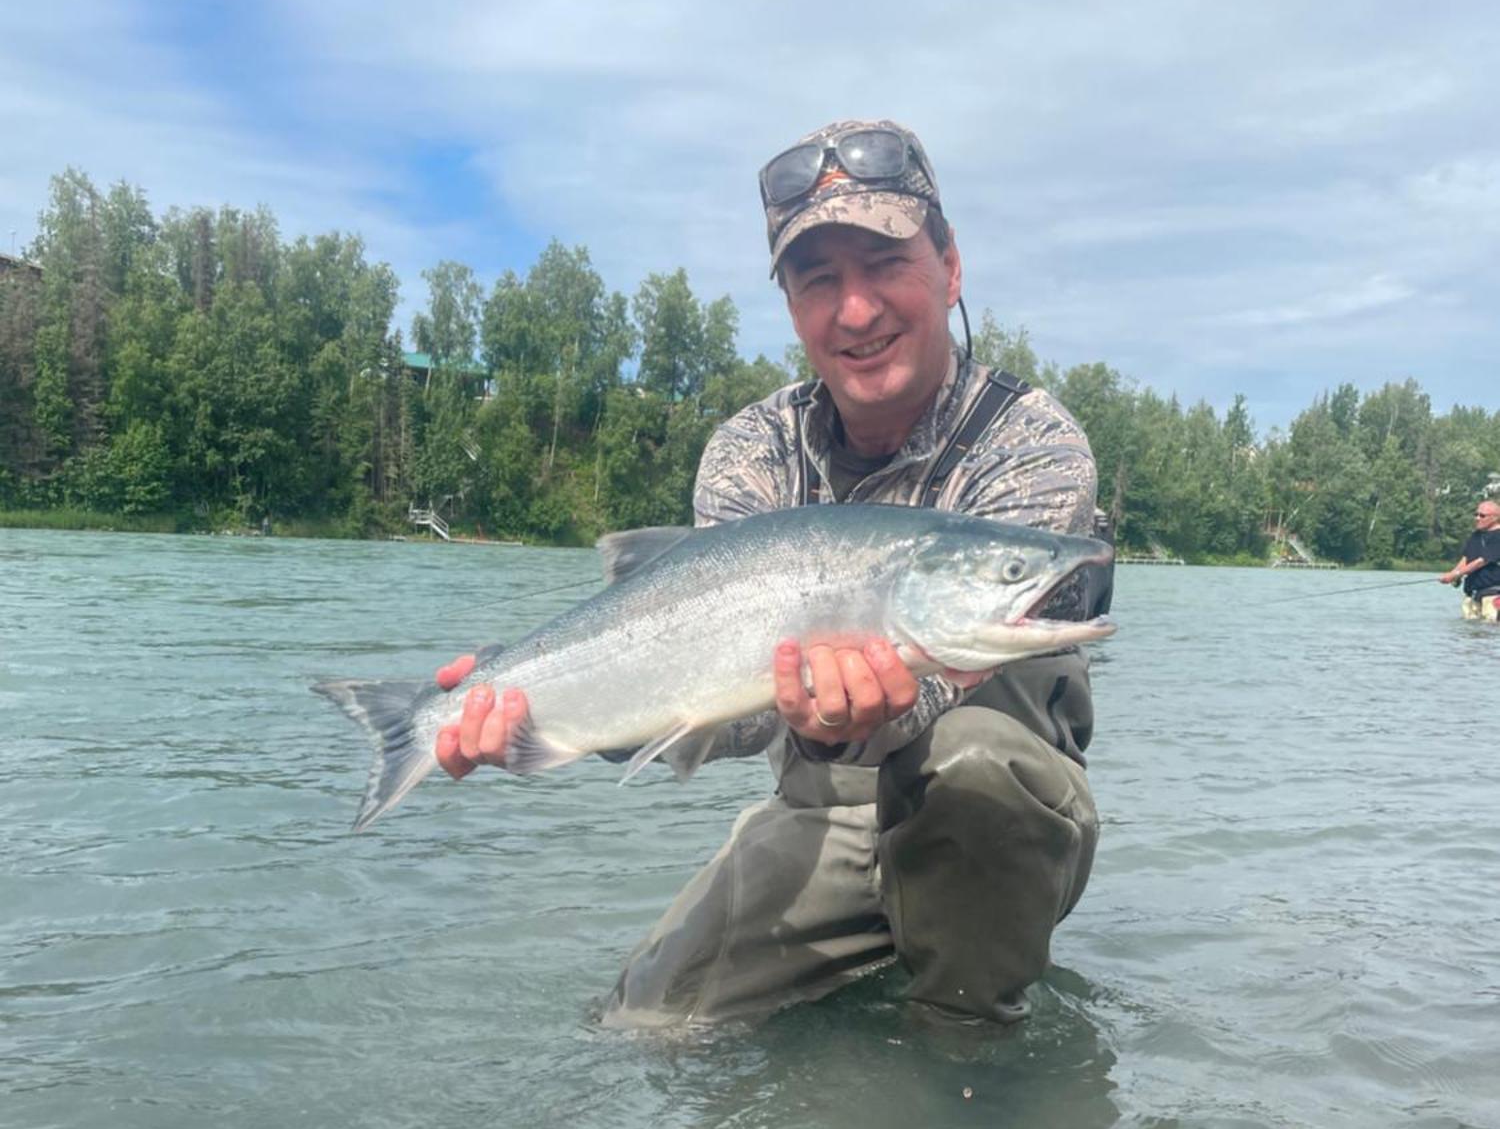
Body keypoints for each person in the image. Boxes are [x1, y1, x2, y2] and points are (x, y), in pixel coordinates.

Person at [434, 118, 1107, 1028]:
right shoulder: (749, 454)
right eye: (817, 280)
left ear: (950, 270)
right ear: (790, 306)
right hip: (823, 811)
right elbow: (731, 717)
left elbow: (942, 699)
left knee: (973, 766)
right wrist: (535, 714)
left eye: (884, 263)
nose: (856, 310)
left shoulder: (1034, 446)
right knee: (646, 1024)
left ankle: (963, 1059)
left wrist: (879, 698)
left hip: (1000, 819)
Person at [1439, 498, 1500, 621]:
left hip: (1493, 594)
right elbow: (1466, 558)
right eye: (1476, 514)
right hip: (1472, 593)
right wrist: (1453, 575)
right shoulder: (1476, 535)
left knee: (1490, 630)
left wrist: (1456, 574)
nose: (1477, 518)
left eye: (1482, 515)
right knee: (1468, 631)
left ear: (1495, 517)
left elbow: (1481, 561)